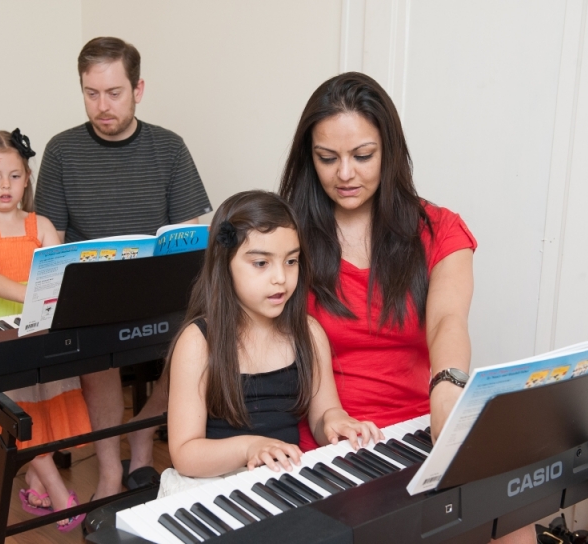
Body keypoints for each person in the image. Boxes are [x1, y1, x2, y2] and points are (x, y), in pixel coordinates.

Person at [278, 72, 535, 543]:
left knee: (512, 514)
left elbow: (446, 320)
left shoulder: (440, 229)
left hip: (424, 420)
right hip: (339, 437)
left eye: (362, 156)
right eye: (327, 158)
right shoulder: (286, 236)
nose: (345, 174)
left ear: (389, 151)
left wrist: (448, 389)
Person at [35, 36, 212, 499]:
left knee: (204, 339)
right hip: (92, 291)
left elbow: (188, 233)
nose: (102, 105)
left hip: (157, 286)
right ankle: (112, 468)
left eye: (114, 93)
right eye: (91, 93)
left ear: (139, 88)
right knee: (97, 352)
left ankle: (142, 432)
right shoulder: (61, 151)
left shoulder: (169, 148)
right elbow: (48, 233)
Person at [163, 190, 382, 496]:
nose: (281, 277)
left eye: (291, 261)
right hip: (212, 487)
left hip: (280, 484)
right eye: (261, 263)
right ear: (224, 264)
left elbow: (323, 415)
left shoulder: (308, 332)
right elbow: (185, 454)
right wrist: (250, 447)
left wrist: (337, 422)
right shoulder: (199, 342)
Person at [0, 130, 90, 532]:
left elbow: (59, 271)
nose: (5, 185)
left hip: (37, 329)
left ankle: (33, 478)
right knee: (13, 411)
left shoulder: (40, 224)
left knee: (42, 403)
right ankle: (55, 486)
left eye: (14, 175)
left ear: (27, 177)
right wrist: (37, 296)